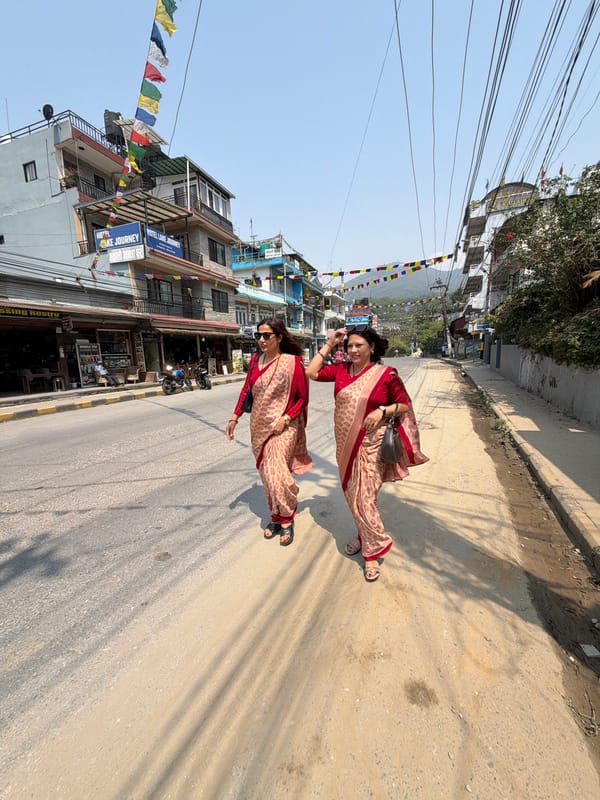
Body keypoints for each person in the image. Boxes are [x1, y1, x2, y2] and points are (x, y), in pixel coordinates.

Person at [306, 325, 428, 582]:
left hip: (372, 445)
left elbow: (404, 404)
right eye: (349, 346)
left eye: (358, 345)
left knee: (364, 498)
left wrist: (382, 411)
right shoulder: (340, 371)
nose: (353, 350)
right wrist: (330, 344)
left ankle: (372, 552)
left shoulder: (385, 375)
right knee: (352, 496)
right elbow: (311, 372)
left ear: (372, 347)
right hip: (344, 445)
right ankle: (364, 535)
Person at [225, 318, 312, 546]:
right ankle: (275, 515)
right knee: (267, 476)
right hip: (259, 426)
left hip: (285, 425)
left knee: (276, 473)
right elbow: (247, 390)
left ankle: (287, 519)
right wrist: (235, 416)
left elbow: (302, 398)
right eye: (258, 336)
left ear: (279, 337)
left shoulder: (292, 362)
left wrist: (286, 418)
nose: (261, 340)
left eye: (266, 336)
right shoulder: (255, 360)